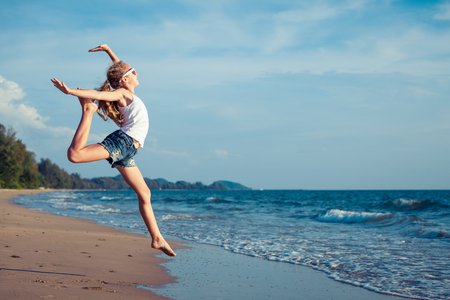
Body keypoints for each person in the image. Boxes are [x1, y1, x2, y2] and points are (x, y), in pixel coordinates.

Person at [51, 44, 176, 257]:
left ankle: (157, 238)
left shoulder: (127, 91)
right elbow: (102, 90)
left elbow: (120, 69)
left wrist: (109, 51)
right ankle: (88, 111)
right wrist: (71, 91)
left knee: (145, 193)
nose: (137, 73)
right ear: (125, 80)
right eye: (133, 72)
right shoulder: (121, 94)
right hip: (122, 143)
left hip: (129, 151)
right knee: (74, 155)